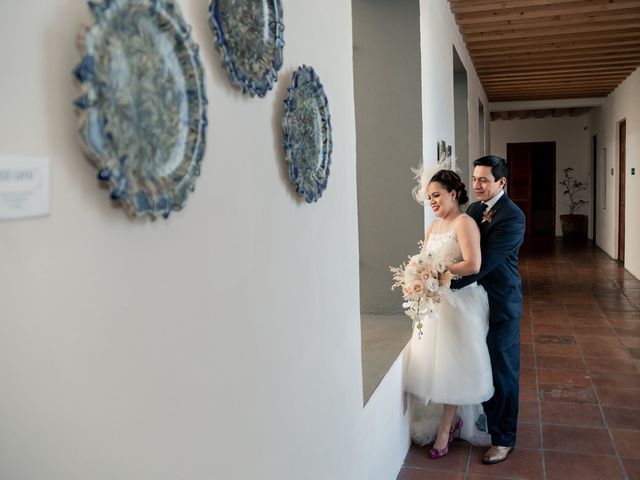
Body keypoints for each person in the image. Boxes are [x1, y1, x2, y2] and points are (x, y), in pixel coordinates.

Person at [405, 169, 494, 459]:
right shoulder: (433, 228)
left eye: (437, 195)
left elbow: (473, 264)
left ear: (453, 194)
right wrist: (418, 277)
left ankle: (447, 426)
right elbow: (423, 260)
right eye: (429, 197)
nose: (432, 201)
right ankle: (448, 420)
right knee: (437, 365)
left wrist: (439, 272)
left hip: (458, 304)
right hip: (434, 304)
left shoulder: (464, 222)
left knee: (454, 365)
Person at [450, 155, 525, 465]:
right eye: (475, 178)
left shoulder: (512, 216)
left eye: (484, 179)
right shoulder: (475, 209)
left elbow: (484, 263)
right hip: (475, 301)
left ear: (501, 182)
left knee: (503, 371)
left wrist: (442, 283)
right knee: (480, 363)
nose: (477, 184)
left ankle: (504, 438)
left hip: (501, 302)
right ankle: (482, 418)